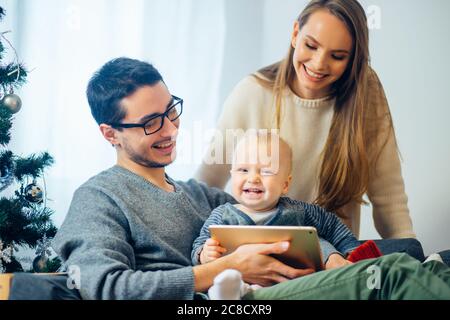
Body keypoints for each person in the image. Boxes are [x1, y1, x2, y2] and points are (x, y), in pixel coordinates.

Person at [52, 57, 450, 300]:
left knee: (428, 263)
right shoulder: (98, 198)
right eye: (152, 123)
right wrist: (224, 270)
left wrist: (328, 250)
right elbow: (104, 287)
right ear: (111, 134)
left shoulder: (202, 197)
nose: (171, 129)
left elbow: (281, 214)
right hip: (229, 298)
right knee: (388, 276)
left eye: (171, 110)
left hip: (282, 284)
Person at [195, 0, 415, 239]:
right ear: (295, 34)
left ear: (353, 59)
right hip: (261, 258)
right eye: (311, 46)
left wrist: (412, 257)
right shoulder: (251, 92)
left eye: (338, 56)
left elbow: (389, 198)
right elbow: (206, 185)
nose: (319, 64)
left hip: (335, 262)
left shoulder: (365, 95)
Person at [192, 132, 383, 299]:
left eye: (266, 171)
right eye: (243, 170)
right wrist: (204, 254)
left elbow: (333, 226)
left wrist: (350, 251)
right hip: (242, 282)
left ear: (285, 184)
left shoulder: (298, 211)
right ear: (232, 175)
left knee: (321, 241)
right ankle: (228, 294)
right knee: (228, 282)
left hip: (294, 285)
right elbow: (200, 243)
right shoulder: (222, 214)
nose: (253, 178)